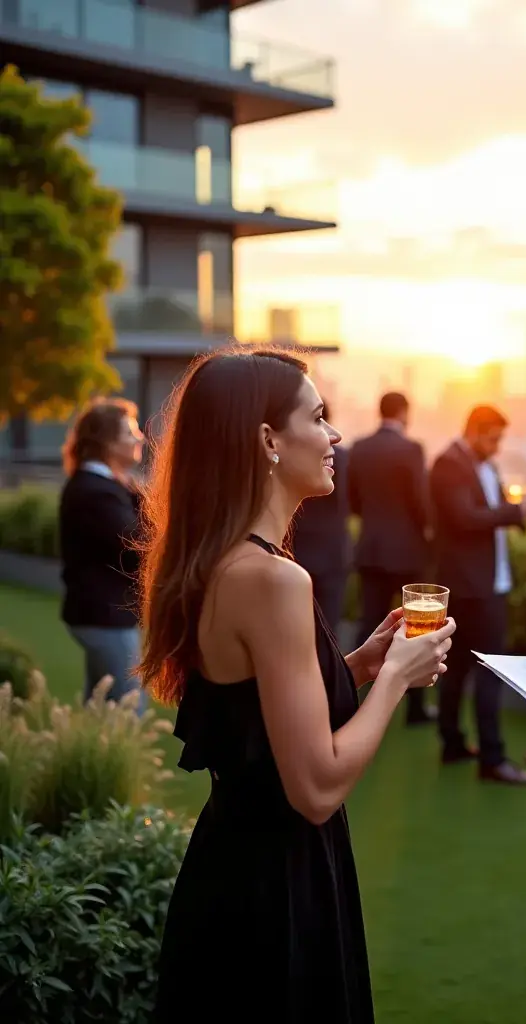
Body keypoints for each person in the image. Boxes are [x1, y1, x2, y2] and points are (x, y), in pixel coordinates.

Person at [138, 348, 456, 1022]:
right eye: (317, 417)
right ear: (268, 440)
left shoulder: (222, 561)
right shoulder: (272, 579)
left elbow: (254, 713)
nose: (334, 435)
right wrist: (397, 680)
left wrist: (361, 664)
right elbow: (315, 789)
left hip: (230, 872)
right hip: (275, 893)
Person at [430, 405, 526, 785]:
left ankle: (453, 744)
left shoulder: (485, 465)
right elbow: (465, 518)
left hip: (487, 582)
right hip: (473, 588)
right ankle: (492, 760)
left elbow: (491, 509)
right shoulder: (448, 464)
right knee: (488, 671)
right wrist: (518, 512)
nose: (497, 447)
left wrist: (520, 514)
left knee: (460, 668)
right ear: (475, 431)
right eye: (493, 439)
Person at [348, 391, 434, 725]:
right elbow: (420, 502)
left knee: (368, 624)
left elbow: (353, 499)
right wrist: (428, 532)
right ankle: (415, 708)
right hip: (407, 550)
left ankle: (350, 700)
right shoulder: (411, 448)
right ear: (403, 412)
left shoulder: (359, 448)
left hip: (370, 547)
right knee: (418, 627)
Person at [58, 398, 146, 709]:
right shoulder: (95, 492)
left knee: (100, 708)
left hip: (102, 615)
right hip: (105, 617)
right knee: (128, 709)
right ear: (107, 442)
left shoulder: (104, 486)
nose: (139, 438)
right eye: (129, 433)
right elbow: (137, 548)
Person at [290, 401, 351, 636]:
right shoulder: (342, 458)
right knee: (328, 628)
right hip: (330, 550)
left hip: (298, 546)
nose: (335, 435)